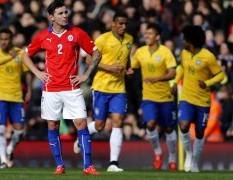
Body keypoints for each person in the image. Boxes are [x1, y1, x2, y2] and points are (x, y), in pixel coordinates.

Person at [22, 0, 101, 175]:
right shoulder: (43, 36)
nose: (65, 15)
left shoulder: (77, 33)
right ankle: (60, 165)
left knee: (81, 122)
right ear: (51, 17)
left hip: (71, 87)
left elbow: (96, 53)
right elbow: (25, 55)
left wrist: (86, 75)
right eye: (60, 13)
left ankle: (88, 166)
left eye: (66, 12)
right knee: (52, 125)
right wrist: (38, 73)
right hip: (51, 89)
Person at [74, 11, 133, 172]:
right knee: (100, 126)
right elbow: (88, 59)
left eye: (126, 23)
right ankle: (82, 136)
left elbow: (125, 58)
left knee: (118, 121)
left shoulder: (129, 40)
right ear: (113, 23)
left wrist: (127, 69)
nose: (124, 26)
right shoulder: (103, 39)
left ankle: (113, 163)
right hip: (101, 87)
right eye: (120, 23)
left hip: (119, 88)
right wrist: (109, 67)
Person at [172, 25, 225, 172]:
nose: (182, 41)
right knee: (183, 126)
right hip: (186, 98)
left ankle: (195, 160)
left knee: (200, 132)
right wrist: (176, 82)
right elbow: (182, 67)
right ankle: (189, 155)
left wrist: (207, 83)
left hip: (202, 101)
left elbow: (221, 75)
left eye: (185, 38)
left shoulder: (208, 56)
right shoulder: (184, 53)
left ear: (192, 40)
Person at [130, 23, 178, 171]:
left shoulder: (165, 52)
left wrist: (157, 79)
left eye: (150, 33)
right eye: (145, 33)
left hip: (165, 97)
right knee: (150, 124)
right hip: (148, 97)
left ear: (157, 37)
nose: (146, 36)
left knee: (169, 128)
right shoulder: (140, 52)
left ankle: (172, 157)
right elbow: (134, 67)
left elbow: (173, 73)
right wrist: (127, 71)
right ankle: (157, 152)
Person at [0, 28, 32, 169]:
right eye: (1, 39)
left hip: (17, 97)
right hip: (1, 96)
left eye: (7, 39)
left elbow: (27, 73)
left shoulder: (20, 53)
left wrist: (28, 90)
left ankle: (9, 150)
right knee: (1, 129)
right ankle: (3, 159)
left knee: (20, 131)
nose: (4, 41)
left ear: (11, 39)